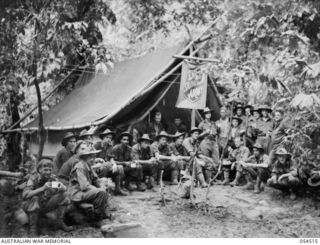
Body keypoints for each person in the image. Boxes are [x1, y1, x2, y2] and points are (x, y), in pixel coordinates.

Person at [22, 158, 72, 236]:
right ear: (39, 170)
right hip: (30, 206)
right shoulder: (33, 178)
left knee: (65, 195)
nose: (48, 172)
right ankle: (33, 229)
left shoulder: (52, 178)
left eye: (50, 170)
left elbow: (62, 189)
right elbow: (25, 195)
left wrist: (62, 188)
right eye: (45, 170)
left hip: (44, 205)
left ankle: (59, 222)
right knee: (35, 198)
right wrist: (42, 188)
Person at [68, 148, 109, 221]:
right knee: (101, 193)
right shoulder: (80, 167)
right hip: (77, 193)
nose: (94, 159)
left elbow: (95, 179)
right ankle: (96, 218)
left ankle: (102, 212)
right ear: (85, 157)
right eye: (91, 157)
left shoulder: (88, 165)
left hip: (85, 192)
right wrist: (98, 189)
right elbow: (84, 186)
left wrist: (102, 184)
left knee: (104, 188)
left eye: (94, 157)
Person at [94, 129, 128, 196]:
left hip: (107, 166)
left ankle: (118, 188)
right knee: (107, 165)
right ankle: (100, 187)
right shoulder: (97, 145)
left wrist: (114, 164)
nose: (109, 139)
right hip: (97, 167)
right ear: (103, 138)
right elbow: (92, 158)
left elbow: (111, 158)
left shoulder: (110, 146)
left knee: (119, 168)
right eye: (107, 137)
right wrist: (99, 161)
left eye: (110, 138)